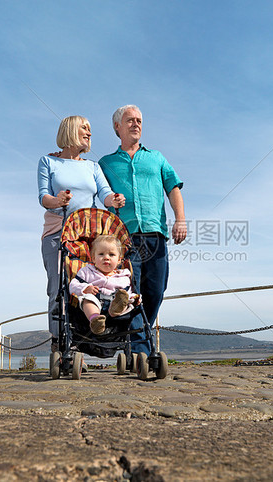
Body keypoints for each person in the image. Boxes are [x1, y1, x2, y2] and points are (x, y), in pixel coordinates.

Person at [99, 105, 187, 355]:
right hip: (122, 238)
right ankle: (140, 351)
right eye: (130, 120)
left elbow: (173, 188)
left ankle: (133, 341)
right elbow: (96, 188)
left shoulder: (157, 157)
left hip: (156, 234)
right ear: (118, 126)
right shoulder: (106, 163)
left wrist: (180, 219)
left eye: (139, 120)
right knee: (129, 292)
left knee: (156, 290)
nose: (136, 124)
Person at [37, 115, 125, 350]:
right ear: (69, 131)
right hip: (57, 233)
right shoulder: (48, 162)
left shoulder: (92, 166)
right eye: (84, 128)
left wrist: (113, 199)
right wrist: (57, 200)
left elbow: (104, 193)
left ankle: (82, 342)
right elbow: (43, 197)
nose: (89, 133)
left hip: (88, 237)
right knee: (58, 287)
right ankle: (59, 341)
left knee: (88, 284)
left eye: (90, 129)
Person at [69, 235, 138, 335]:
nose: (106, 258)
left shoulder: (123, 276)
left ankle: (114, 310)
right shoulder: (87, 272)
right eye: (101, 254)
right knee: (87, 299)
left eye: (111, 255)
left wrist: (134, 298)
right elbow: (73, 285)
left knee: (126, 301)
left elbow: (128, 292)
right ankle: (95, 320)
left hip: (115, 304)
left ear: (119, 260)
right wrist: (85, 288)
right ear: (93, 258)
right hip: (96, 301)